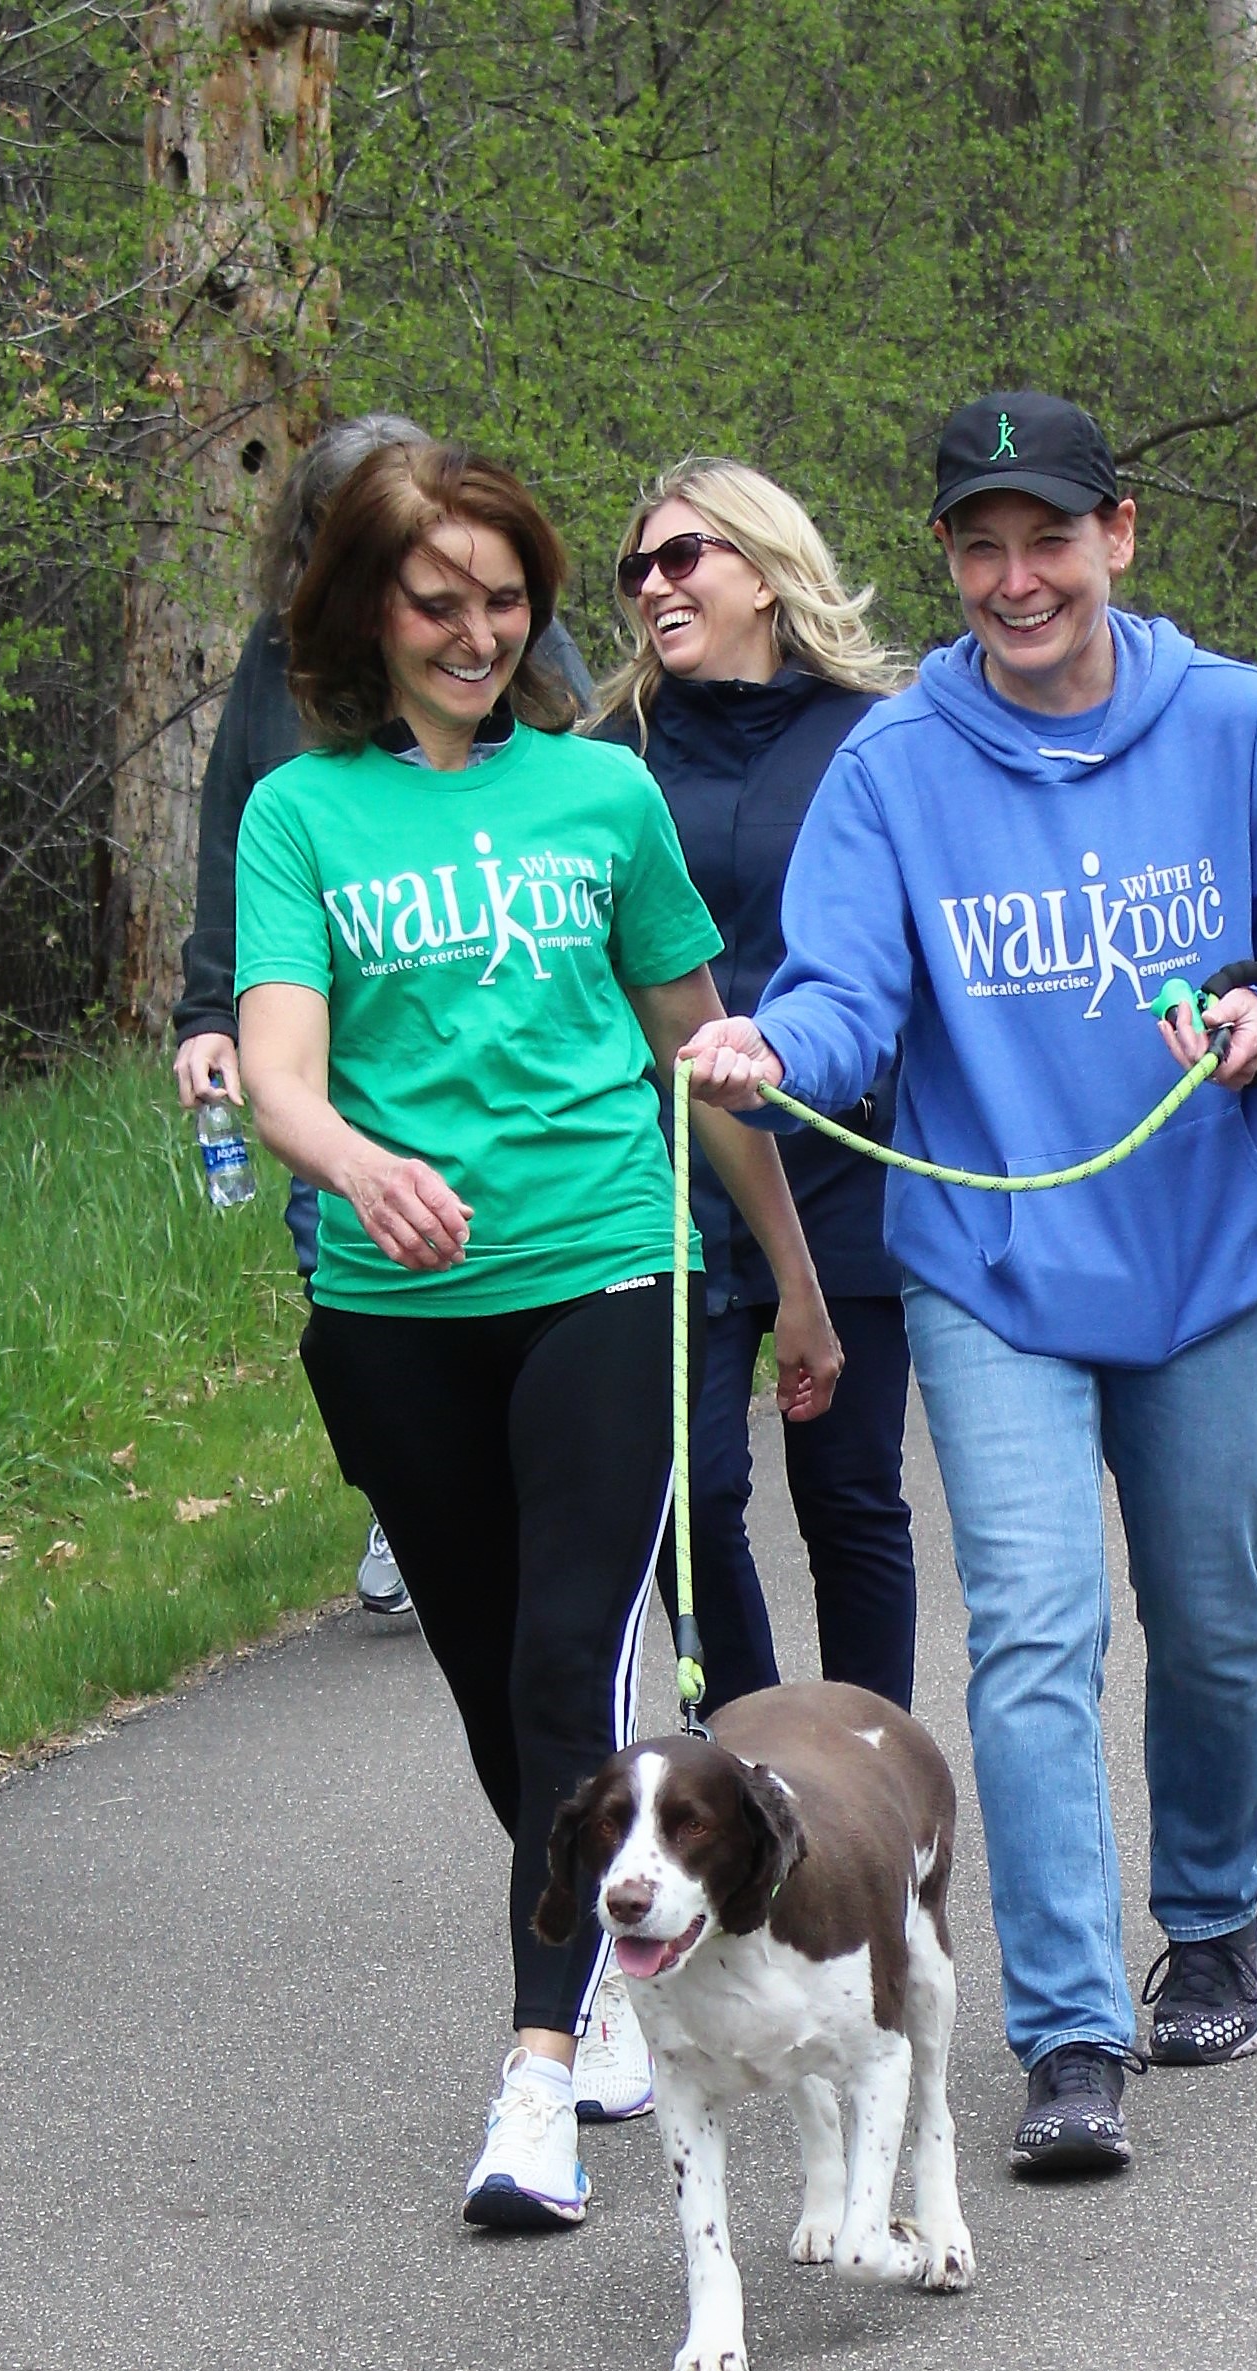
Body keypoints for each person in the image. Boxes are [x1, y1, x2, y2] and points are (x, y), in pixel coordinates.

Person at [680, 392, 1257, 2177]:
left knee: (1210, 1608)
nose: (1016, 580)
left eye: (1048, 540)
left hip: (1209, 1256)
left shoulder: (1227, 721)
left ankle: (1209, 1914)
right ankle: (1067, 2029)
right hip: (994, 1263)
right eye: (981, 547)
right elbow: (848, 1000)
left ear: (1117, 537)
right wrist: (776, 1049)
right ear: (948, 561)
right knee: (1034, 1630)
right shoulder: (899, 764)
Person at [234, 441, 841, 2227]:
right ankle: (615, 1958)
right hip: (394, 1310)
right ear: (366, 609)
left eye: (508, 599)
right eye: (442, 600)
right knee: (499, 1677)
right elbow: (278, 1063)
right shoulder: (303, 812)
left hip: (601, 1270)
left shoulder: (599, 798)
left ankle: (535, 2077)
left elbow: (697, 1048)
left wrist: (789, 1272)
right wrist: (356, 1160)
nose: (481, 631)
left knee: (569, 1656)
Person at [171, 413, 596, 1615]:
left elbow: (578, 791)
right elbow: (230, 838)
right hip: (325, 1017)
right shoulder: (279, 663)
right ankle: (407, 1497)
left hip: (487, 991)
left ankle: (530, 1470)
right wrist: (208, 1011)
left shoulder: (497, 623)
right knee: (344, 1245)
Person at [593, 458, 920, 1714]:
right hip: (670, 1171)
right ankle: (754, 1765)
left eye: (685, 558)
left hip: (840, 1158)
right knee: (696, 1494)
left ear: (766, 572)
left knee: (847, 1491)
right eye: (639, 569)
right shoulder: (605, 760)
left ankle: (874, 1764)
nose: (656, 586)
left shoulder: (875, 738)